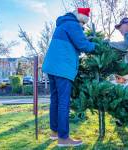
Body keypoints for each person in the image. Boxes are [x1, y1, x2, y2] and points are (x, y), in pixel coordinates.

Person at [42, 8, 96, 147]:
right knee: (64, 103)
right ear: (80, 19)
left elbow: (73, 41)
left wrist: (84, 38)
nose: (82, 27)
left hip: (52, 67)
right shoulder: (73, 24)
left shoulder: (63, 23)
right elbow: (84, 46)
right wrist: (95, 44)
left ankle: (54, 132)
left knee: (55, 100)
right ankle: (63, 138)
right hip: (62, 68)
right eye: (83, 24)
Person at [109, 17, 128, 146]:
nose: (119, 30)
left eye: (121, 27)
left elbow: (125, 47)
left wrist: (107, 43)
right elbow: (127, 60)